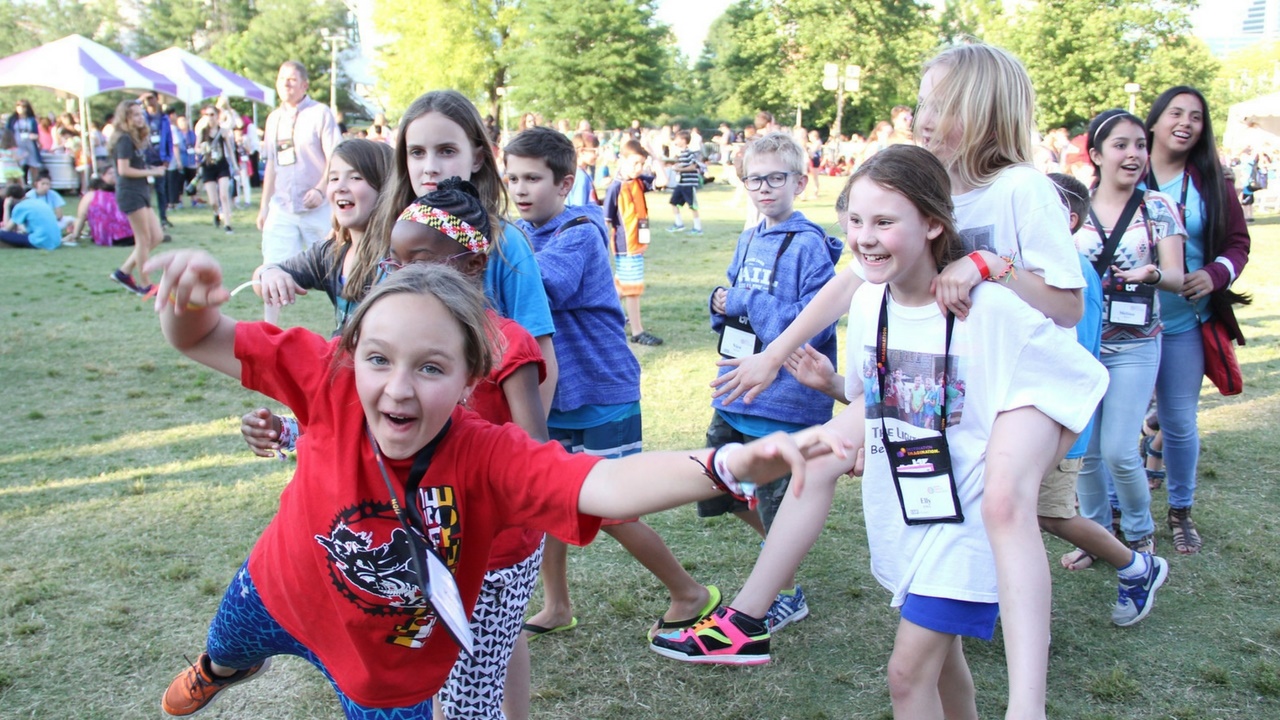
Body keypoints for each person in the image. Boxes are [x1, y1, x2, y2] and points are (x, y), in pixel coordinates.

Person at [149, 250, 846, 719]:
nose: (397, 385)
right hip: (277, 594)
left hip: (385, 673)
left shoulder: (488, 456)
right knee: (226, 646)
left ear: (467, 378)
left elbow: (604, 485)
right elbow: (198, 336)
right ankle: (222, 667)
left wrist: (723, 466)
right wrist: (187, 296)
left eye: (429, 367)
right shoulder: (323, 377)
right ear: (350, 354)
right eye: (379, 359)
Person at [653, 147, 1108, 720]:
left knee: (906, 676)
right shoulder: (870, 301)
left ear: (934, 223)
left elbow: (1080, 384)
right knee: (946, 672)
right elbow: (882, 397)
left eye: (885, 222)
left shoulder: (988, 308)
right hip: (906, 517)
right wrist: (836, 396)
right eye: (856, 221)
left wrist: (1014, 473)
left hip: (962, 531)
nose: (865, 238)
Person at [504, 126, 720, 649]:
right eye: (512, 178)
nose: (521, 189)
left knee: (614, 510)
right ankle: (556, 605)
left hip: (602, 391)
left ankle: (689, 593)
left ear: (565, 182)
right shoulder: (519, 234)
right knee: (547, 499)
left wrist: (484, 253)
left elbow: (544, 285)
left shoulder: (578, 230)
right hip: (554, 394)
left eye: (533, 178)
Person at [384, 180, 549, 720]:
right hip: (433, 544)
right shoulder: (403, 345)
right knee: (443, 673)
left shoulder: (505, 342)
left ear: (472, 266)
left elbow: (534, 452)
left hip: (497, 553)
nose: (403, 275)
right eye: (395, 261)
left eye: (421, 260)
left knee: (468, 700)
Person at [701, 131, 842, 632]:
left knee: (778, 501)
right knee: (715, 487)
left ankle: (785, 589)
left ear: (800, 181)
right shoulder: (749, 236)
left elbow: (815, 322)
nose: (763, 188)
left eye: (775, 178)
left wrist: (740, 301)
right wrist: (720, 303)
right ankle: (779, 553)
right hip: (738, 390)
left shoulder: (810, 247)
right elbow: (733, 301)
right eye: (753, 179)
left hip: (785, 402)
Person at [1043, 171, 1171, 626]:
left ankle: (1138, 566)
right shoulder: (1045, 265)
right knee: (1026, 512)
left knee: (1051, 515)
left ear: (1069, 218)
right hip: (1041, 419)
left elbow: (1072, 356)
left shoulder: (1070, 273)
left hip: (1054, 422)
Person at [1072, 109, 1186, 561]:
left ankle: (1139, 534)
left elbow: (1178, 275)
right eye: (1121, 145)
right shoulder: (1074, 206)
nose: (1134, 154)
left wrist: (1152, 273)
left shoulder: (1156, 206)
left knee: (1120, 450)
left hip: (1136, 342)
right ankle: (1097, 537)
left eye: (1140, 145)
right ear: (1097, 154)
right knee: (1086, 453)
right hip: (1081, 345)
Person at [1143, 86, 1252, 554]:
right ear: (1155, 120)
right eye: (1176, 113)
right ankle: (1112, 515)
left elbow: (1237, 244)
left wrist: (1212, 275)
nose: (1185, 122)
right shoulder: (1127, 167)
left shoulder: (1210, 180)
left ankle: (1181, 512)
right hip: (1124, 327)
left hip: (1186, 322)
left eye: (1196, 117)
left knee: (1180, 422)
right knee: (1115, 423)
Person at [257, 60, 342, 323]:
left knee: (337, 263)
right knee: (271, 268)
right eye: (281, 78)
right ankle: (269, 332)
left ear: (304, 85)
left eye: (292, 79)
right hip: (282, 207)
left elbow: (336, 157)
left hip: (318, 207)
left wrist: (321, 188)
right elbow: (272, 163)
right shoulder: (274, 118)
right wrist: (263, 206)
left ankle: (347, 324)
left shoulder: (320, 114)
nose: (286, 84)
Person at [604, 140, 663, 346]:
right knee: (632, 289)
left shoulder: (639, 181)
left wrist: (657, 158)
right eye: (635, 163)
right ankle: (637, 331)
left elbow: (662, 180)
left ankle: (601, 315)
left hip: (639, 241)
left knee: (620, 287)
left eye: (642, 164)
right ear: (623, 160)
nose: (638, 168)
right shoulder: (616, 187)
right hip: (626, 245)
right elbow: (607, 220)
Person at [108, 99, 166, 295]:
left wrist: (151, 170)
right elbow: (123, 170)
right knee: (143, 239)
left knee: (156, 236)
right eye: (134, 115)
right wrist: (151, 173)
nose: (140, 118)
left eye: (141, 114)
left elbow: (135, 167)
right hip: (130, 193)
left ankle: (124, 272)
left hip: (141, 191)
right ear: (125, 118)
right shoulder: (124, 139)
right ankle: (145, 284)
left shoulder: (135, 139)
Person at [196, 105, 238, 234]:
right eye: (207, 115)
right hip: (208, 166)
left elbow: (230, 149)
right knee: (213, 200)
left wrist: (235, 165)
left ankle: (227, 223)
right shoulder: (202, 132)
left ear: (217, 116)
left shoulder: (222, 131)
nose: (210, 117)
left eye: (212, 114)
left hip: (221, 165)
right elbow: (196, 148)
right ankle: (216, 213)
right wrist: (202, 148)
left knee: (224, 195)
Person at [70, 167, 134, 247]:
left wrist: (75, 235)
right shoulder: (126, 194)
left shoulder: (91, 195)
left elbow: (81, 217)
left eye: (116, 173)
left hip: (105, 238)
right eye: (110, 173)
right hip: (130, 237)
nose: (114, 175)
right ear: (102, 176)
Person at [139, 93, 174, 228]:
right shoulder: (142, 117)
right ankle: (147, 219)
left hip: (160, 158)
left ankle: (163, 218)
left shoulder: (164, 118)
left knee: (161, 190)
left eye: (151, 98)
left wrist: (168, 158)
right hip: (146, 158)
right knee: (145, 190)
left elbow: (169, 140)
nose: (149, 102)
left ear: (156, 99)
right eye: (146, 99)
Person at [0, 183, 61, 249]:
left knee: (1, 234)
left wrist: (6, 206)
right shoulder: (38, 201)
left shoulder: (20, 207)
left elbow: (6, 229)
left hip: (41, 241)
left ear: (10, 198)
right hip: (56, 241)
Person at [666, 130, 703, 234]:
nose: (675, 141)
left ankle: (698, 228)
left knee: (692, 206)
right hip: (681, 184)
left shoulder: (689, 153)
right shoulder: (681, 154)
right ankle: (679, 224)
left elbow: (693, 166)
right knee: (674, 203)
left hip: (689, 184)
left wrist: (680, 169)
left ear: (683, 140)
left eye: (677, 139)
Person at [24, 170, 74, 235]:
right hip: (35, 222)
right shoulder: (29, 195)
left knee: (72, 220)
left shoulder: (53, 194)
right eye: (43, 184)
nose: (45, 186)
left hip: (51, 221)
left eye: (47, 184)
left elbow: (59, 215)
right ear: (36, 184)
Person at [7, 100, 43, 185]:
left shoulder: (31, 120)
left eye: (24, 106)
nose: (21, 108)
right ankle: (19, 189)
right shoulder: (12, 119)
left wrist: (34, 137)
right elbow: (7, 133)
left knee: (34, 167)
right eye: (19, 106)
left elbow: (36, 134)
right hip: (16, 146)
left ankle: (36, 187)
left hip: (30, 146)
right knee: (18, 168)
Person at [566, 131, 600, 207]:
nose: (597, 155)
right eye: (594, 151)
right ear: (581, 151)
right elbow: (579, 210)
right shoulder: (580, 177)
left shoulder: (583, 173)